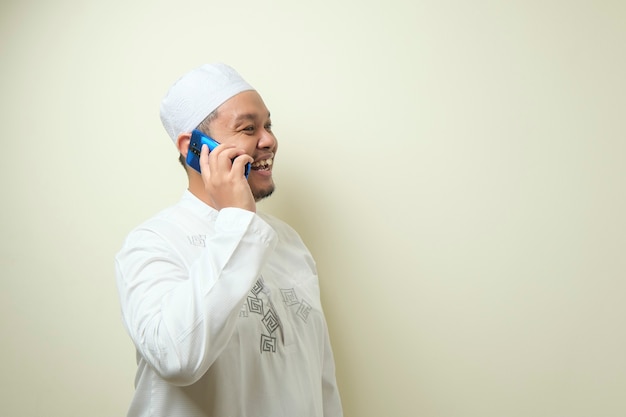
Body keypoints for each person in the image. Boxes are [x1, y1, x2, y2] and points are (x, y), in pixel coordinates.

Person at [114, 63, 343, 417]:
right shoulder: (152, 243)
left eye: (268, 125)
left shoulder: (289, 242)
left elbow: (320, 379)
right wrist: (237, 220)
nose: (269, 140)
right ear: (194, 148)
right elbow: (177, 358)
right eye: (249, 128)